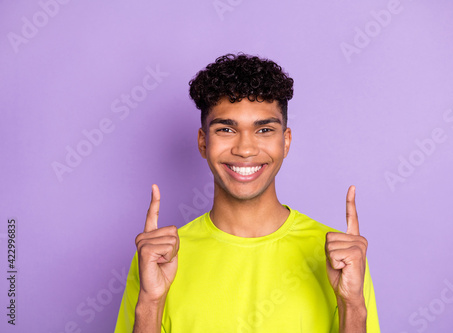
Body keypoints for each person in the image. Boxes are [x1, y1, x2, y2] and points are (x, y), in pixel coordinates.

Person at [114, 53, 380, 332]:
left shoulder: (341, 258)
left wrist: (353, 306)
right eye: (226, 129)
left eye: (264, 129)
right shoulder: (159, 257)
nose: (245, 149)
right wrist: (150, 303)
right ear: (203, 142)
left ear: (285, 142)